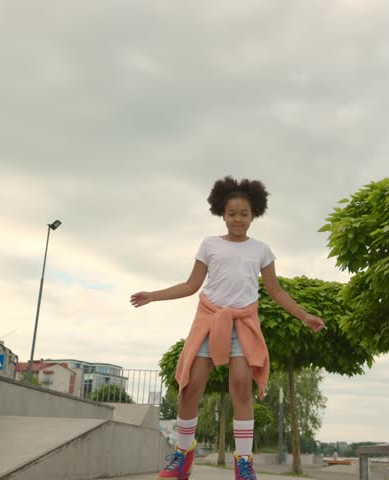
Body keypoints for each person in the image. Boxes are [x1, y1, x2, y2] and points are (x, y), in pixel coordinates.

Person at [131, 176, 325, 480]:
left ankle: (243, 462)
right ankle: (184, 455)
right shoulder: (209, 244)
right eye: (232, 213)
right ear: (222, 213)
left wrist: (304, 315)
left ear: (254, 215)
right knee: (191, 387)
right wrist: (153, 295)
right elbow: (191, 285)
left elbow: (276, 291)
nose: (237, 219)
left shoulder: (261, 250)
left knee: (240, 387)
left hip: (244, 324)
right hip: (209, 320)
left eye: (244, 214)